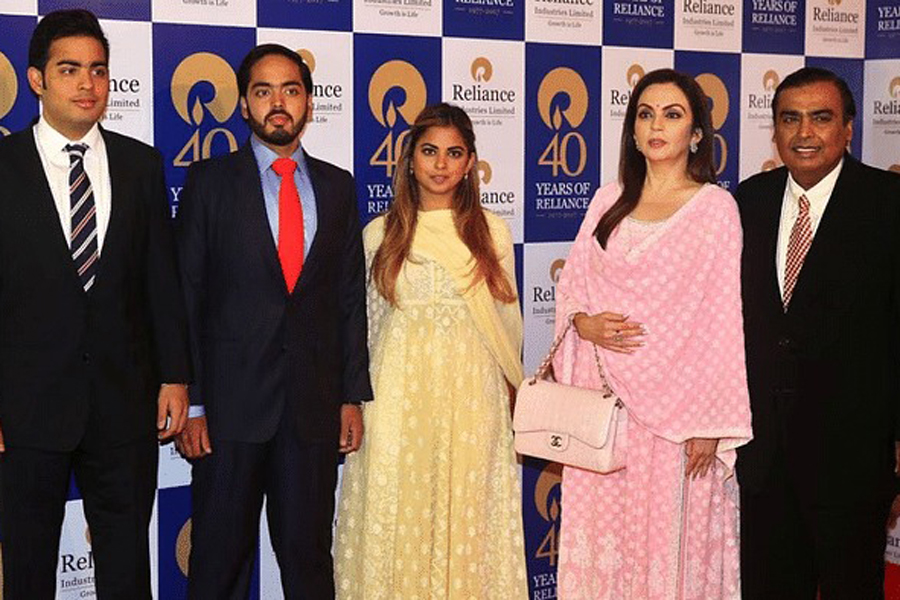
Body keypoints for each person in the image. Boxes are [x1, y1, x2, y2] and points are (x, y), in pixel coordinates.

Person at [0, 9, 191, 599]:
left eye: (99, 70)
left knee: (127, 564)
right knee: (28, 567)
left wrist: (176, 377)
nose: (88, 84)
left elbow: (162, 280)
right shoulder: (3, 170)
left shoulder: (141, 165)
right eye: (70, 70)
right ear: (36, 80)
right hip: (26, 408)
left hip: (125, 405)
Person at [174, 43, 371, 599]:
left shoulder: (338, 187)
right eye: (263, 91)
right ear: (244, 105)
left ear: (309, 102)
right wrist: (192, 401)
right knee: (216, 564)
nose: (277, 103)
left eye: (290, 90)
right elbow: (186, 296)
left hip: (311, 413)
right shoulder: (209, 182)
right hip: (228, 415)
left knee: (309, 565)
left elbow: (348, 298)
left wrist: (351, 395)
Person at [552, 69, 752, 599]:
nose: (656, 125)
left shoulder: (715, 209)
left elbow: (722, 319)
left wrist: (711, 420)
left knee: (671, 551)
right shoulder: (607, 199)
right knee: (605, 546)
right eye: (645, 114)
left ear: (697, 133)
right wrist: (582, 323)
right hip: (607, 413)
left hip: (681, 421)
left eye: (672, 114)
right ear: (633, 131)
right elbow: (572, 285)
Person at [333, 103, 528, 598]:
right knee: (398, 514)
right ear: (410, 159)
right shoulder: (379, 235)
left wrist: (512, 400)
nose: (440, 164)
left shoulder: (492, 232)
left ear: (469, 164)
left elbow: (507, 331)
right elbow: (366, 332)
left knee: (466, 521)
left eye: (454, 153)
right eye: (430, 151)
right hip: (396, 401)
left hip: (471, 403)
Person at [736, 66, 900, 600]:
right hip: (761, 461)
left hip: (853, 459)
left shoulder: (888, 204)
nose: (804, 133)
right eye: (790, 119)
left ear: (848, 129)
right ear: (775, 131)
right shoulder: (745, 203)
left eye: (821, 118)